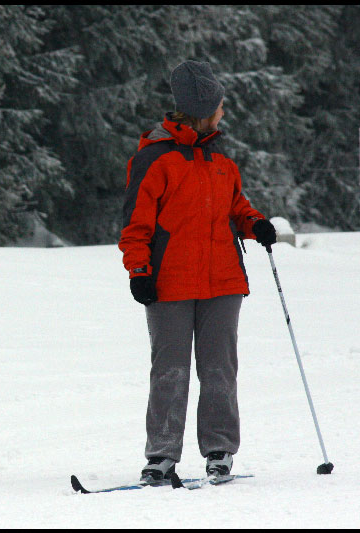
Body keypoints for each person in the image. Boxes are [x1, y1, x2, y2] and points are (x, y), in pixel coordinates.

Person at [118, 60, 277, 481]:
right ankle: (161, 456)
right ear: (205, 107)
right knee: (169, 370)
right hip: (168, 283)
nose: (224, 112)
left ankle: (220, 450)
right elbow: (135, 224)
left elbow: (235, 205)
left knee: (219, 369)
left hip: (223, 280)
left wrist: (255, 222)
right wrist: (139, 270)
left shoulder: (220, 157)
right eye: (220, 105)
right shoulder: (154, 158)